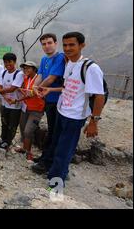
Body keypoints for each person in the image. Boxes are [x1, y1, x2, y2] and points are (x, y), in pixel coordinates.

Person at [35, 32, 105, 188]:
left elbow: (99, 95)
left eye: (72, 44)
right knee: (56, 144)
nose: (67, 48)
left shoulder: (91, 68)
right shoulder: (70, 64)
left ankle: (55, 187)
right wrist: (50, 91)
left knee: (64, 151)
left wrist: (94, 121)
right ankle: (55, 174)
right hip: (62, 111)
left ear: (82, 45)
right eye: (65, 45)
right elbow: (67, 87)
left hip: (75, 117)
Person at [31, 33, 66, 170]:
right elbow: (39, 75)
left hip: (58, 101)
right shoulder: (44, 59)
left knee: (54, 132)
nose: (47, 46)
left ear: (55, 43)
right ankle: (45, 156)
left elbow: (51, 78)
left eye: (49, 43)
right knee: (51, 131)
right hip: (48, 99)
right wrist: (33, 86)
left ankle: (47, 162)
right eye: (44, 44)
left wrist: (37, 88)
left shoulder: (60, 58)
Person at [0, 52, 24, 150]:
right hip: (5, 103)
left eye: (10, 62)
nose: (7, 64)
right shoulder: (3, 72)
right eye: (5, 62)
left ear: (14, 62)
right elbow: (0, 86)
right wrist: (5, 97)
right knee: (4, 122)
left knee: (12, 124)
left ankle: (8, 142)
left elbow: (13, 88)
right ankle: (3, 139)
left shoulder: (19, 74)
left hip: (15, 105)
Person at [14, 61, 45, 162]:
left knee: (28, 131)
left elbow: (31, 94)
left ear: (34, 69)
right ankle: (24, 148)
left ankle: (28, 152)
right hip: (25, 108)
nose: (26, 70)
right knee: (23, 129)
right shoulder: (26, 78)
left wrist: (17, 99)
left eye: (28, 68)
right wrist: (20, 90)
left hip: (36, 110)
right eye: (24, 68)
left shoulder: (39, 79)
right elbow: (24, 90)